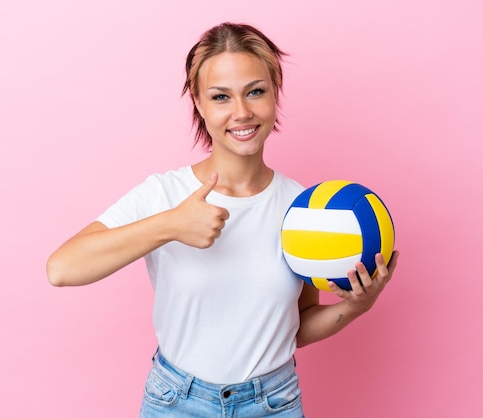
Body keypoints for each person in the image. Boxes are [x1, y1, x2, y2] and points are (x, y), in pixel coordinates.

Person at [46, 22, 399, 418]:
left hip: (273, 403)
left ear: (274, 92)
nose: (242, 112)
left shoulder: (304, 210)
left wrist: (355, 307)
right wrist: (170, 225)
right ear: (198, 102)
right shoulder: (165, 194)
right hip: (176, 403)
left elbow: (295, 329)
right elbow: (62, 269)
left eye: (256, 91)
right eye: (221, 97)